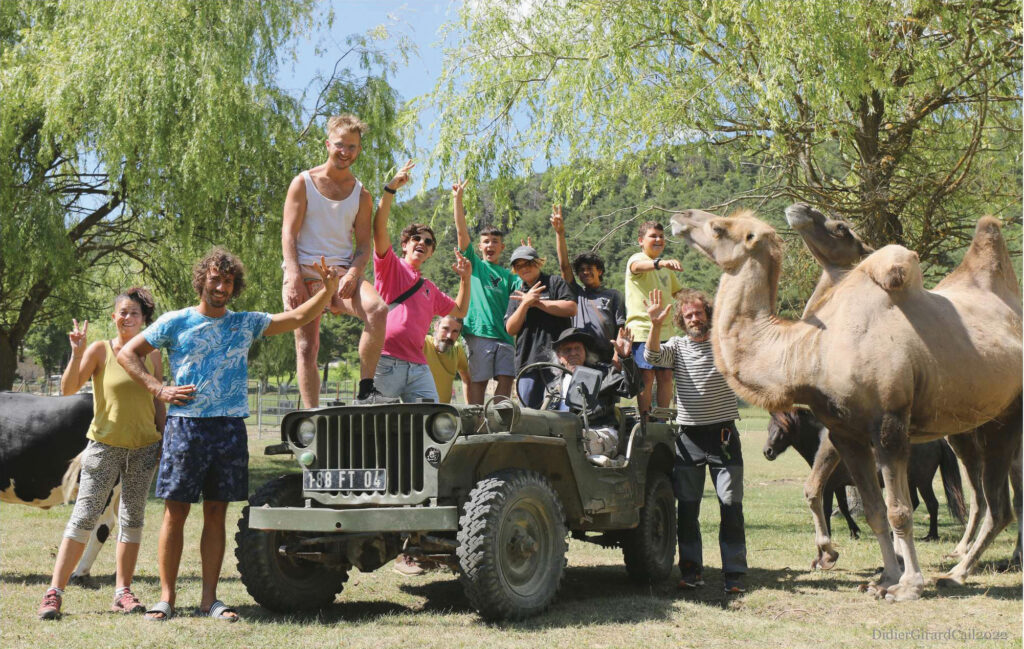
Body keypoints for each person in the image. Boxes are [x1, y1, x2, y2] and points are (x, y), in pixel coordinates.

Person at [117, 248, 340, 622]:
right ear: (202, 279)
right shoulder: (176, 321)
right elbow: (127, 353)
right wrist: (159, 389)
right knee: (175, 513)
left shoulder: (246, 323)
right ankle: (166, 599)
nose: (221, 286)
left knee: (217, 513)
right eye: (215, 278)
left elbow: (300, 316)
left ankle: (210, 601)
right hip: (186, 427)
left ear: (234, 286)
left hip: (229, 427)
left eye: (228, 281)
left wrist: (328, 290)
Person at [38, 289, 165, 621]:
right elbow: (67, 390)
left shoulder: (153, 355)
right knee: (83, 517)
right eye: (122, 312)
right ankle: (54, 593)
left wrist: (163, 438)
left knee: (132, 520)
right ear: (114, 317)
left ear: (143, 320)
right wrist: (76, 352)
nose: (127, 317)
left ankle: (122, 592)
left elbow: (157, 399)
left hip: (144, 448)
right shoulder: (100, 350)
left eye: (134, 313)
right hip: (104, 447)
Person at [281, 113, 392, 407]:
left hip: (342, 272)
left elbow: (365, 244)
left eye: (352, 147)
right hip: (305, 271)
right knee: (307, 346)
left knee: (378, 310)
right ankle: (311, 416)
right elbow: (288, 234)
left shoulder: (362, 194)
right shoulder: (303, 183)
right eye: (340, 145)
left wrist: (354, 274)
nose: (345, 152)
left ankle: (366, 389)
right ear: (328, 144)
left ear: (359, 150)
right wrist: (292, 275)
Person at [644, 288, 747, 594]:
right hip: (688, 437)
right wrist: (654, 325)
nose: (693, 318)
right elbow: (650, 356)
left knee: (730, 504)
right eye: (687, 315)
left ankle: (735, 576)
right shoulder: (676, 346)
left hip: (724, 435)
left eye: (698, 313)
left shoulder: (723, 342)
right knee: (687, 509)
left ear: (708, 314)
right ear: (681, 319)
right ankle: (691, 573)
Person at [371, 162, 471, 402]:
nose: (422, 243)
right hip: (386, 360)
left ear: (431, 253)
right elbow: (379, 228)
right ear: (405, 245)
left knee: (431, 422)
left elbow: (460, 310)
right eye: (416, 238)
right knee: (376, 425)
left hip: (418, 366)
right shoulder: (390, 266)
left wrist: (465, 279)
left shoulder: (429, 288)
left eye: (428, 242)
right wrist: (390, 189)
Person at [453, 180, 522, 404]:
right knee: (479, 381)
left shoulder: (510, 276)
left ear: (502, 247)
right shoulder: (475, 265)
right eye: (486, 242)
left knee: (507, 378)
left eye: (495, 242)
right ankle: (476, 422)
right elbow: (462, 235)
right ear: (480, 247)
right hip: (479, 333)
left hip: (505, 336)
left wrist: (527, 258)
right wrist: (458, 200)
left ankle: (499, 420)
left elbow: (527, 287)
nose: (490, 245)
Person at [548, 327, 639, 466]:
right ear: (559, 357)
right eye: (567, 350)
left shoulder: (602, 374)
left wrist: (626, 359)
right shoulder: (553, 386)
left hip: (600, 432)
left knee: (568, 443)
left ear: (585, 352)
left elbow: (632, 388)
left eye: (577, 348)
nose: (573, 353)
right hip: (562, 437)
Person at [550, 205, 626, 363]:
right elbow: (564, 267)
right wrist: (560, 233)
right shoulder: (576, 294)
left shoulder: (613, 295)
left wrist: (617, 357)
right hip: (580, 357)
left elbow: (621, 328)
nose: (585, 272)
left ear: (600, 271)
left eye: (590, 269)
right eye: (581, 270)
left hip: (607, 357)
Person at [504, 246, 577, 409]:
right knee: (527, 414)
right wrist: (525, 303)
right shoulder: (517, 294)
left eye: (528, 263)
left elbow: (571, 308)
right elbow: (510, 328)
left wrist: (537, 303)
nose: (524, 268)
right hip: (527, 362)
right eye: (519, 266)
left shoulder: (555, 282)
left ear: (537, 263)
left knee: (560, 411)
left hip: (559, 361)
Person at [624, 220, 684, 414]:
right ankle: (645, 421)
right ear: (641, 240)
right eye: (653, 236)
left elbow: (679, 293)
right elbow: (637, 267)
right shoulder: (637, 259)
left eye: (661, 236)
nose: (658, 240)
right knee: (647, 376)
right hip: (643, 331)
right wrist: (660, 263)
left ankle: (662, 420)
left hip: (667, 330)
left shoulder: (665, 268)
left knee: (666, 376)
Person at [424, 315, 471, 404]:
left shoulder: (457, 349)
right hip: (418, 410)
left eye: (455, 331)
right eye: (445, 329)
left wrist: (468, 408)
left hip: (443, 412)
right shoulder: (423, 343)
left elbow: (467, 380)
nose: (449, 335)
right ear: (436, 327)